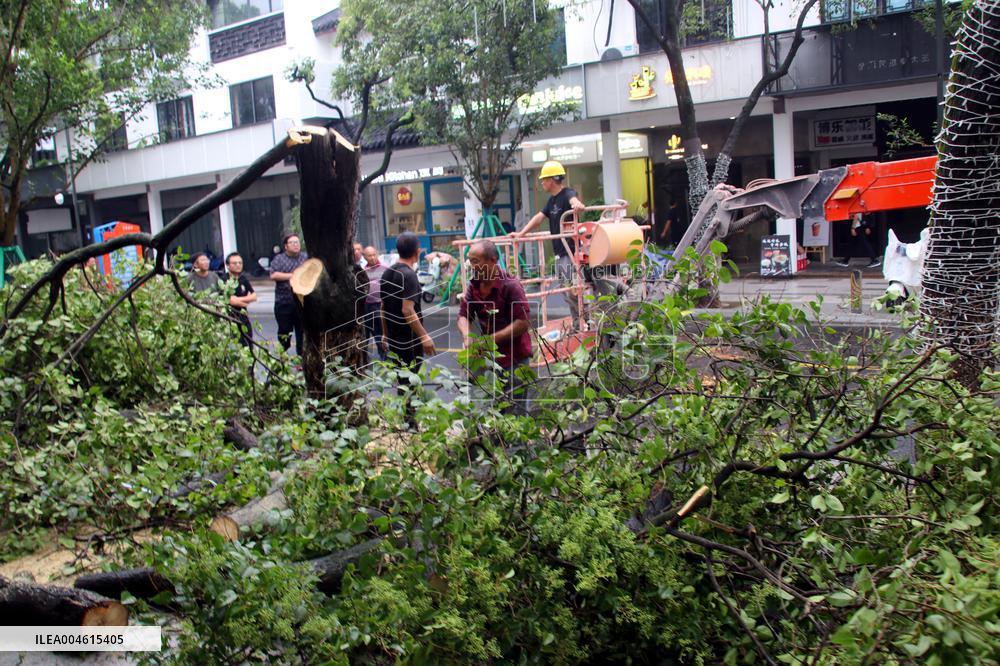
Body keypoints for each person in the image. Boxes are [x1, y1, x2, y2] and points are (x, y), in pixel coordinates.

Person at [513, 160, 623, 326]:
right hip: (561, 253)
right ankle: (580, 321)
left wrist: (577, 205)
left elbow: (574, 201)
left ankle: (585, 319)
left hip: (571, 252)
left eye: (543, 179)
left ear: (551, 180)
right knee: (568, 291)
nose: (542, 182)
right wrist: (521, 234)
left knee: (572, 289)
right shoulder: (552, 201)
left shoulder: (567, 194)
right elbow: (539, 218)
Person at [458, 240, 534, 415]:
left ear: (493, 260)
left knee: (516, 414)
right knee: (490, 411)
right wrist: (467, 336)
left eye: (476, 261)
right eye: (470, 261)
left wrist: (489, 341)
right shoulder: (474, 285)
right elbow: (463, 315)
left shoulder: (510, 286)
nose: (472, 266)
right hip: (489, 360)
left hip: (514, 359)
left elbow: (522, 323)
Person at [380, 233, 435, 426]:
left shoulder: (387, 273)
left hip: (394, 337)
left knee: (403, 381)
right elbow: (407, 309)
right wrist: (425, 336)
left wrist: (385, 335)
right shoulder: (409, 275)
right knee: (410, 380)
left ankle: (407, 420)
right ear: (417, 252)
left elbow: (383, 307)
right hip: (409, 339)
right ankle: (410, 423)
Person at [269, 234, 308, 356]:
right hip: (284, 302)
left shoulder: (305, 257)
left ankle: (301, 359)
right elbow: (273, 275)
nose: (296, 245)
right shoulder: (279, 259)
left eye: (297, 242)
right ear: (286, 246)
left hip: (303, 302)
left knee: (302, 332)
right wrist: (293, 275)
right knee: (284, 331)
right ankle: (283, 357)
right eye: (292, 242)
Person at [224, 252, 257, 346]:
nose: (238, 265)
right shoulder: (224, 280)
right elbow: (230, 301)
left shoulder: (243, 279)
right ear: (228, 265)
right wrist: (246, 300)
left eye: (240, 263)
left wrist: (240, 301)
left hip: (244, 318)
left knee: (248, 344)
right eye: (234, 263)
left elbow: (254, 296)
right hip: (230, 318)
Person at [361, 246, 387, 360]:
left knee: (381, 332)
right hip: (367, 306)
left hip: (381, 305)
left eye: (374, 255)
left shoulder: (385, 269)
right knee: (368, 332)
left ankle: (385, 356)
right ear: (364, 257)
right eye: (369, 255)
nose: (372, 258)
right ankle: (364, 358)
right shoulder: (362, 271)